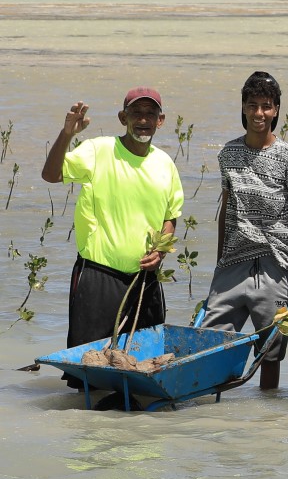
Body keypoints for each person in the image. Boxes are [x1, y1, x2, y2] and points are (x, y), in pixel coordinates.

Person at [40, 88, 183, 391]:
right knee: (89, 375)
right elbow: (51, 175)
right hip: (98, 276)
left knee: (145, 369)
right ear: (123, 118)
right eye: (136, 113)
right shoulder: (98, 150)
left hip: (144, 281)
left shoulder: (165, 164)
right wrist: (66, 135)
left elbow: (171, 217)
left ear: (160, 121)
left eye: (150, 114)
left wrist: (160, 253)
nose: (143, 119)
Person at [203, 71, 288, 392]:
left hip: (274, 264)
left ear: (276, 110)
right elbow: (226, 208)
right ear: (243, 108)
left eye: (266, 106)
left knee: (271, 351)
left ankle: (269, 414)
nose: (259, 114)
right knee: (212, 344)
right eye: (252, 106)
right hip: (232, 263)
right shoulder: (228, 154)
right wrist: (219, 260)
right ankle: (210, 404)